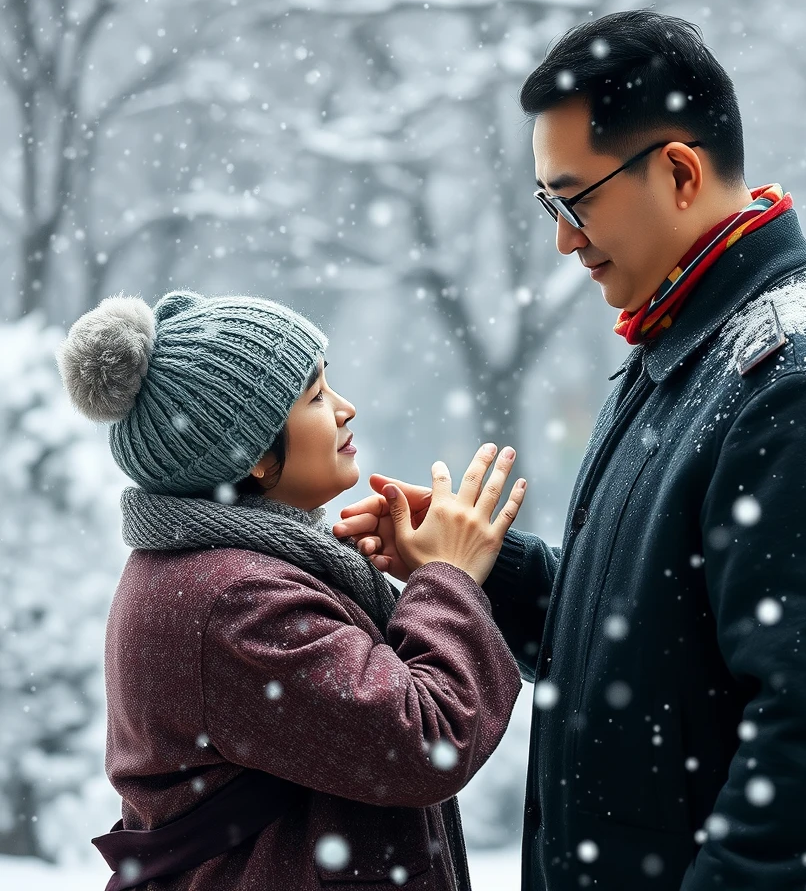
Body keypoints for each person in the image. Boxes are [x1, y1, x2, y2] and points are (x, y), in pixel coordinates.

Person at [336, 10, 806, 891]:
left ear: (680, 171)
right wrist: (486, 569)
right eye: (548, 203)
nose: (562, 240)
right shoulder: (681, 355)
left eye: (575, 200)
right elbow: (647, 643)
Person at [57, 289, 526, 891]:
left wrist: (418, 578)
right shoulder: (232, 600)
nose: (344, 408)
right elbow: (426, 736)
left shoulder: (220, 570)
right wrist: (449, 577)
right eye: (315, 396)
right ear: (251, 453)